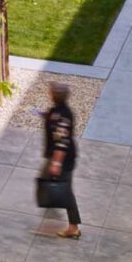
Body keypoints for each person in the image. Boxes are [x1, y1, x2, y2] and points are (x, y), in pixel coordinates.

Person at [38, 81, 81, 238]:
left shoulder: (63, 116)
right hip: (56, 157)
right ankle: (52, 207)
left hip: (63, 159)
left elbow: (62, 143)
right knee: (45, 179)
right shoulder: (57, 111)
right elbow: (54, 122)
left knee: (66, 190)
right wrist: (46, 117)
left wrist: (56, 163)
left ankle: (73, 227)